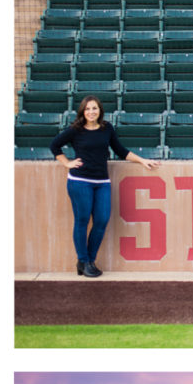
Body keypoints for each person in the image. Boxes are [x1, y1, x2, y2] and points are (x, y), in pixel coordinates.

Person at [49, 95, 159, 277]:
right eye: (87, 109)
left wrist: (142, 160)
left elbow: (121, 151)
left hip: (102, 183)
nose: (91, 112)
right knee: (82, 221)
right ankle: (83, 261)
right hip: (80, 182)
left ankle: (89, 260)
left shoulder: (107, 128)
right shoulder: (75, 130)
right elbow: (55, 145)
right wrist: (66, 163)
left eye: (94, 108)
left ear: (100, 110)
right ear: (82, 112)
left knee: (101, 221)